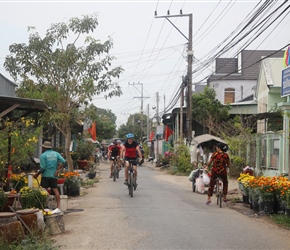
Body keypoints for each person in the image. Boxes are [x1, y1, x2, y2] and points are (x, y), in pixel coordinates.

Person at [33, 141, 66, 209]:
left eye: (43, 147)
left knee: (44, 191)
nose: (42, 148)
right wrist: (57, 170)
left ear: (44, 148)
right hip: (54, 175)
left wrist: (37, 174)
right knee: (55, 190)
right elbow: (63, 161)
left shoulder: (43, 155)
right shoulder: (56, 154)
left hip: (46, 175)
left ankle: (46, 206)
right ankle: (58, 206)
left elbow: (43, 168)